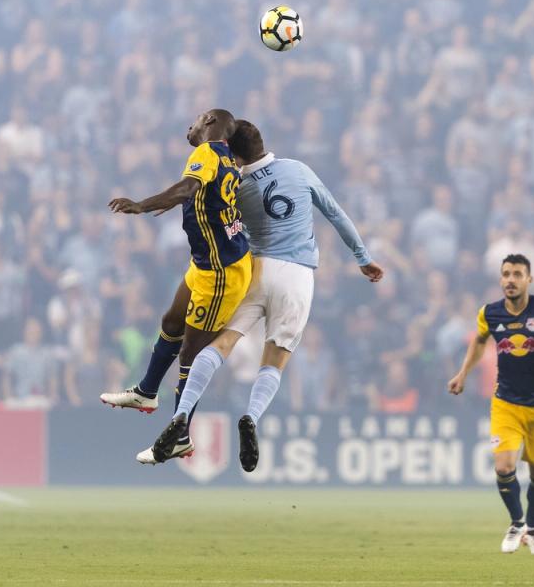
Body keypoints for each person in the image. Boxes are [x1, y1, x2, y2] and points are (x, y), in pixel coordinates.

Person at [146, 120, 383, 468]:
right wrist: (363, 258)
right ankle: (251, 418)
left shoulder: (236, 185)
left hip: (254, 271)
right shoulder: (298, 170)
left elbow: (220, 224)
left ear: (236, 155)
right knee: (275, 359)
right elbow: (334, 212)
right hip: (297, 275)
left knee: (220, 345)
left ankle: (181, 416)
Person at [100, 109, 252, 462]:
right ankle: (146, 391)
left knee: (190, 354)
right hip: (204, 264)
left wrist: (142, 204)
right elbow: (204, 196)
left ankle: (181, 434)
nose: (190, 125)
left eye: (197, 119)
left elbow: (189, 187)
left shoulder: (208, 151)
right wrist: (183, 203)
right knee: (171, 322)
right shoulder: (228, 159)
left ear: (211, 123)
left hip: (221, 273)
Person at [447, 254, 534, 555]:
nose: (510, 279)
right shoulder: (490, 313)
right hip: (506, 403)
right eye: (506, 274)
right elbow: (480, 340)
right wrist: (463, 373)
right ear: (500, 278)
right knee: (504, 466)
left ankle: (532, 530)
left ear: (528, 279)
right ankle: (516, 522)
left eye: (517, 274)